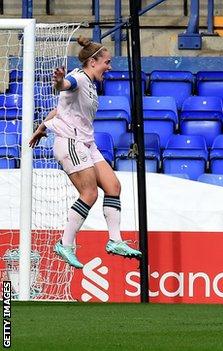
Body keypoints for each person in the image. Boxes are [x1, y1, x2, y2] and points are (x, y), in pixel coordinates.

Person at [28, 37, 142, 269]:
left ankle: (115, 241)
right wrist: (59, 82)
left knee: (113, 186)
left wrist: (41, 128)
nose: (109, 67)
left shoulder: (90, 82)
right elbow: (65, 85)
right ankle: (65, 244)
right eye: (107, 62)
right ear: (93, 62)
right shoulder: (78, 78)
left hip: (87, 144)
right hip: (71, 142)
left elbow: (59, 110)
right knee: (89, 193)